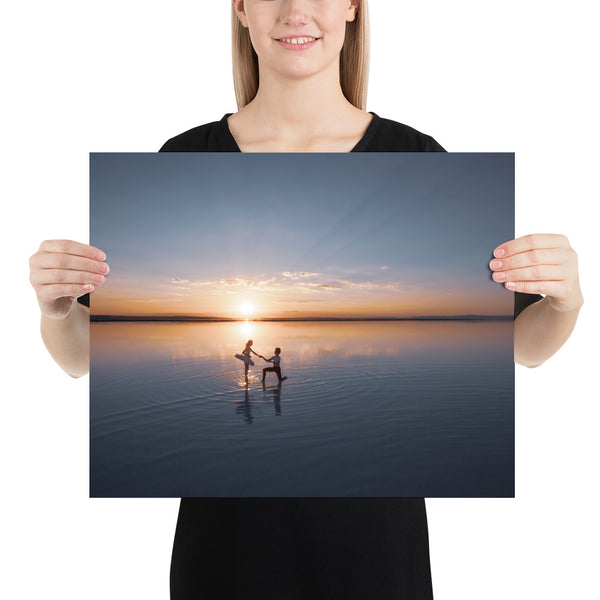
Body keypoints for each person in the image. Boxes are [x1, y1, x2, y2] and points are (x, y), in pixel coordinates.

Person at [28, 0, 583, 598]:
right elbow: (81, 358)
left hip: (375, 551)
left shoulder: (417, 159)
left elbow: (523, 348)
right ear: (241, 9)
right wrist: (55, 309)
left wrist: (565, 303)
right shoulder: (183, 159)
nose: (297, 10)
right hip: (224, 550)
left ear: (352, 9)